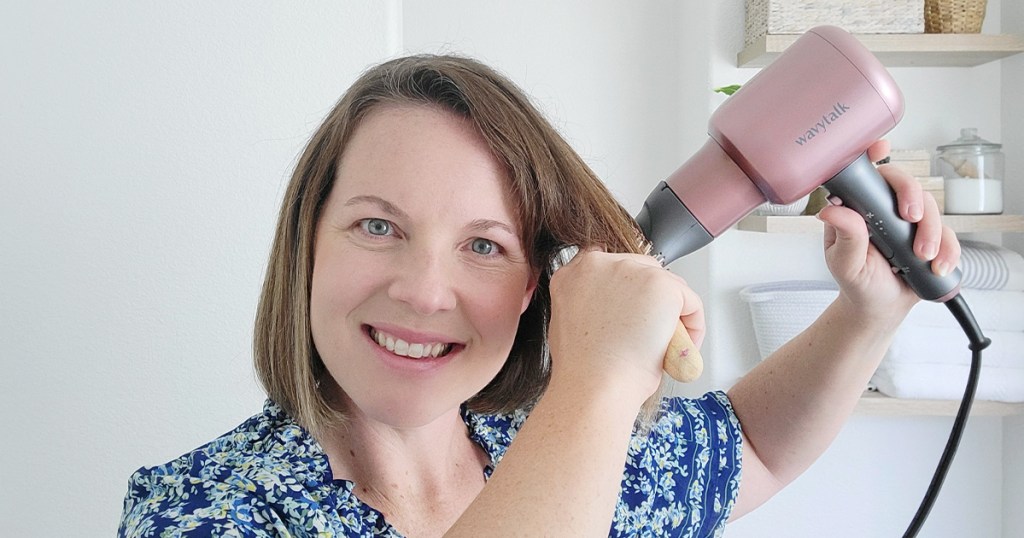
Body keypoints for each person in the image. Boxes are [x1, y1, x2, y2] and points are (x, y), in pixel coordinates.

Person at [118, 54, 959, 537]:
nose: (422, 290)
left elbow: (755, 450)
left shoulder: (553, 444)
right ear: (305, 247)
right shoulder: (203, 510)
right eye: (377, 226)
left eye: (484, 245)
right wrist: (595, 381)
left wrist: (868, 313)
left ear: (533, 287)